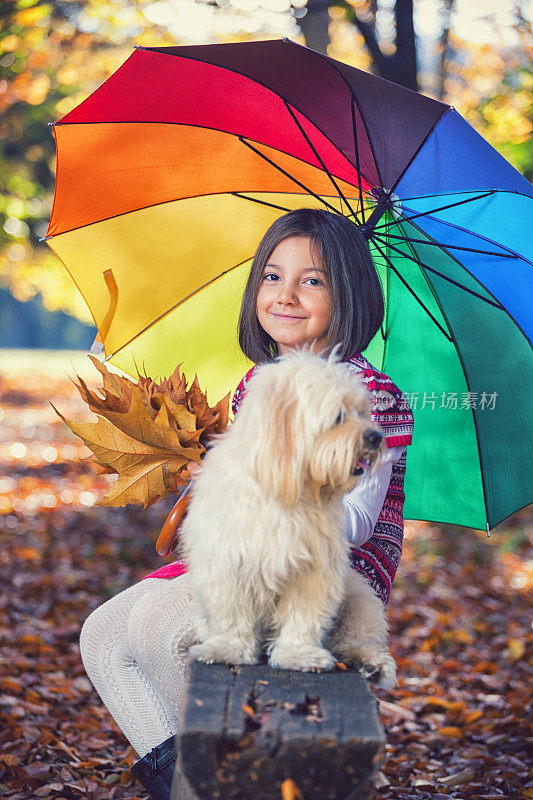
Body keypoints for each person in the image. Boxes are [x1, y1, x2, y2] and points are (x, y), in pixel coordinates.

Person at [79, 208, 414, 800]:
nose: (286, 294)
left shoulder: (369, 393)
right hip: (242, 557)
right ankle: (192, 782)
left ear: (350, 294)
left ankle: (219, 778)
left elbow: (357, 525)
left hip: (324, 572)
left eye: (312, 280)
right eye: (272, 276)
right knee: (102, 633)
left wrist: (266, 475)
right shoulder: (256, 384)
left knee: (162, 626)